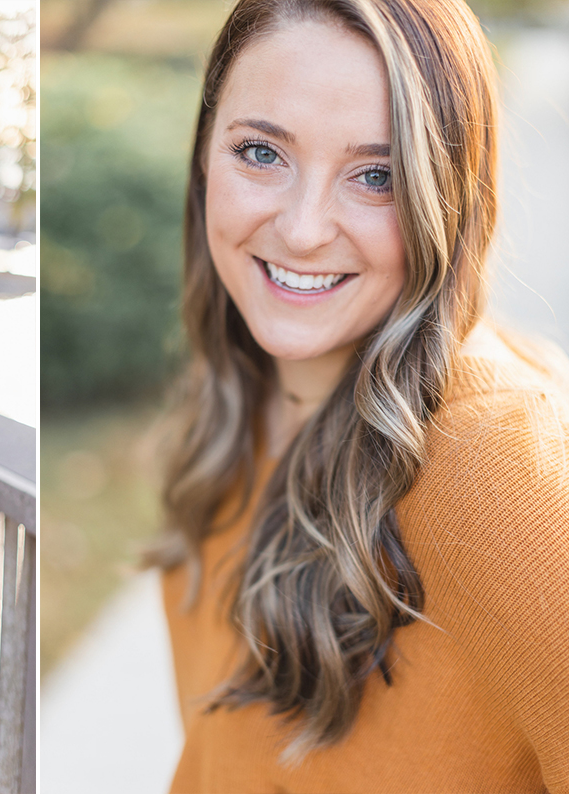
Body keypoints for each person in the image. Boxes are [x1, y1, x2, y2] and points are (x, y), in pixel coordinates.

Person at [148, 0, 569, 790]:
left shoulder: (495, 468)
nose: (304, 229)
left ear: (449, 195)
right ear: (205, 153)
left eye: (376, 174)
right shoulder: (235, 404)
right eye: (261, 153)